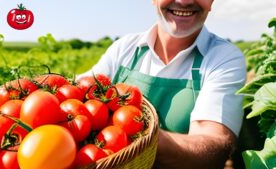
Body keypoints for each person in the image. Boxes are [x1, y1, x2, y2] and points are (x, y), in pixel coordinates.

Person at [81, 0, 246, 168]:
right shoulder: (125, 49)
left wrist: (136, 136)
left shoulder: (224, 58)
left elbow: (214, 147)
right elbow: (75, 94)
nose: (185, 1)